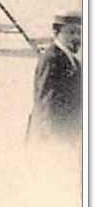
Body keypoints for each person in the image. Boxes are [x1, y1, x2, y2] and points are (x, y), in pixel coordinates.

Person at [31, 10, 82, 144]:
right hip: (54, 137)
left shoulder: (74, 62)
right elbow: (47, 105)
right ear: (56, 33)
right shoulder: (51, 59)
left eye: (79, 33)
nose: (76, 37)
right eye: (71, 32)